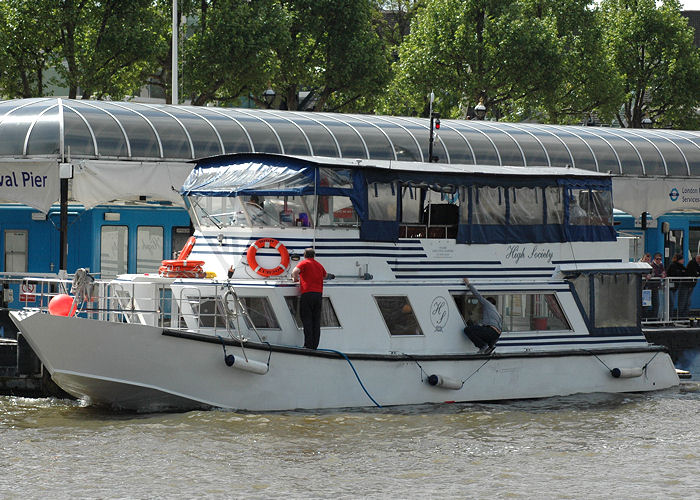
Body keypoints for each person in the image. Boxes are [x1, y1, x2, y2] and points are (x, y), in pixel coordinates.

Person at [291, 248, 327, 349]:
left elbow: (295, 271)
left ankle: (308, 344)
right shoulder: (319, 265)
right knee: (316, 320)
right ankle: (315, 345)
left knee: (307, 319)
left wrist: (295, 279)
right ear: (314, 256)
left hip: (307, 293)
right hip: (318, 294)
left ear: (305, 255)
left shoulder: (304, 263)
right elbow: (325, 275)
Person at [462, 277, 502, 354]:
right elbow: (499, 329)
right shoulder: (496, 313)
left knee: (467, 330)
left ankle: (483, 346)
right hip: (496, 335)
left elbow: (477, 295)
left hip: (490, 331)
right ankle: (490, 346)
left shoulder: (487, 304)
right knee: (480, 330)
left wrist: (468, 284)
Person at [666, 253, 690, 318]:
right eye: (682, 259)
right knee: (671, 303)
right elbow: (673, 274)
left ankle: (670, 317)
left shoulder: (681, 266)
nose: (683, 261)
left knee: (672, 303)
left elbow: (686, 272)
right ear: (678, 260)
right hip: (669, 286)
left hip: (675, 287)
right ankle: (669, 318)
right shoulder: (673, 265)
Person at [649, 253, 666, 320]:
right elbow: (654, 274)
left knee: (657, 304)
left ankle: (655, 319)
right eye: (657, 259)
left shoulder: (661, 265)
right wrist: (660, 275)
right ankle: (650, 320)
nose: (659, 260)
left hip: (657, 287)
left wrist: (663, 274)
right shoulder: (652, 265)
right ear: (654, 259)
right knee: (650, 304)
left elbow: (664, 272)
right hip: (651, 286)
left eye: (660, 259)